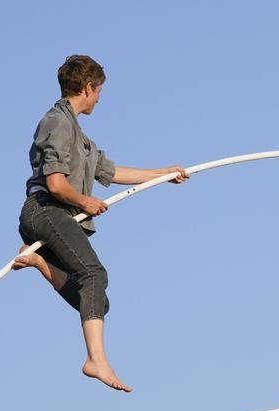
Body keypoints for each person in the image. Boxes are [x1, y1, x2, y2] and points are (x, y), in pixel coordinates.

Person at [12, 55, 188, 392]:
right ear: (88, 87)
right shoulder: (57, 123)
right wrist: (84, 201)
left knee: (95, 299)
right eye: (99, 91)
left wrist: (162, 174)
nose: (100, 98)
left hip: (58, 216)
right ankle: (97, 360)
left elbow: (112, 172)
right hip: (46, 211)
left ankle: (37, 261)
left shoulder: (80, 137)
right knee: (95, 274)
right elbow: (55, 183)